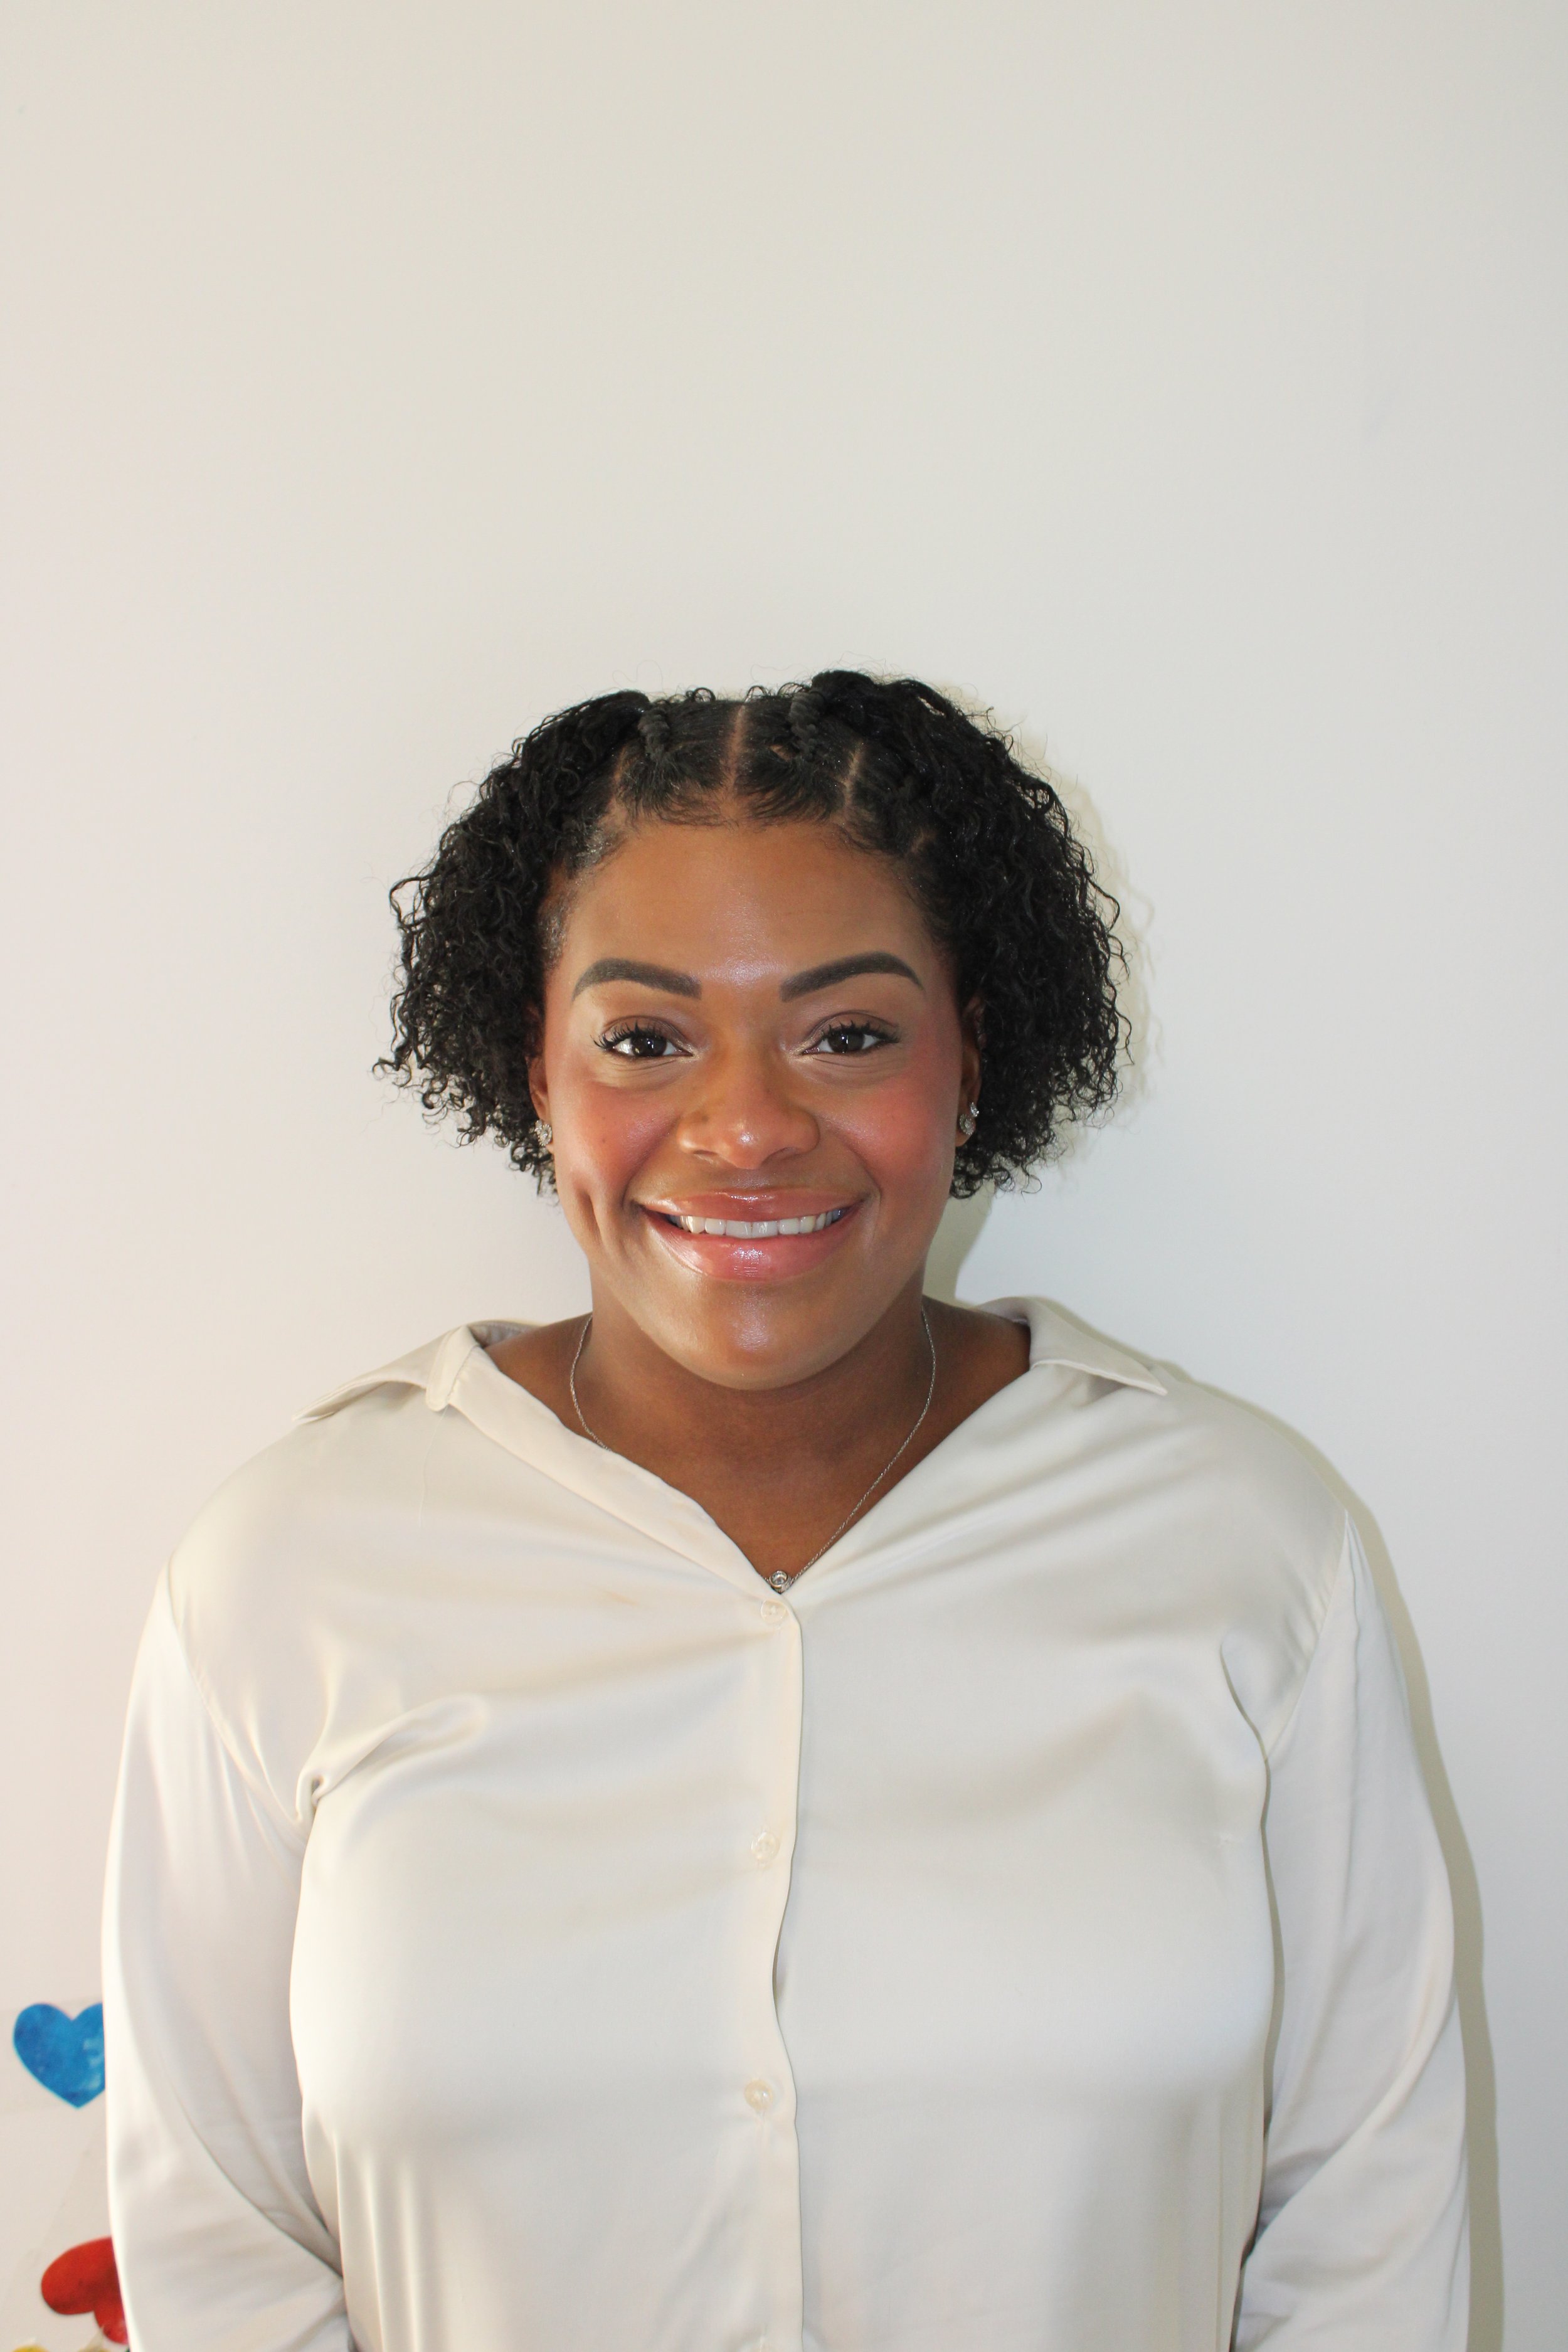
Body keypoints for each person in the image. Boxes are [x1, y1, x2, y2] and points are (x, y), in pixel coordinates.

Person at [102, 673, 1468, 2350]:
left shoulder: (1247, 1548)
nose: (746, 1125)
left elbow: (1364, 2221)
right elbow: (215, 2235)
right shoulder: (294, 1567)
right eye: (644, 1038)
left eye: (846, 1034)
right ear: (533, 1069)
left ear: (973, 1054)